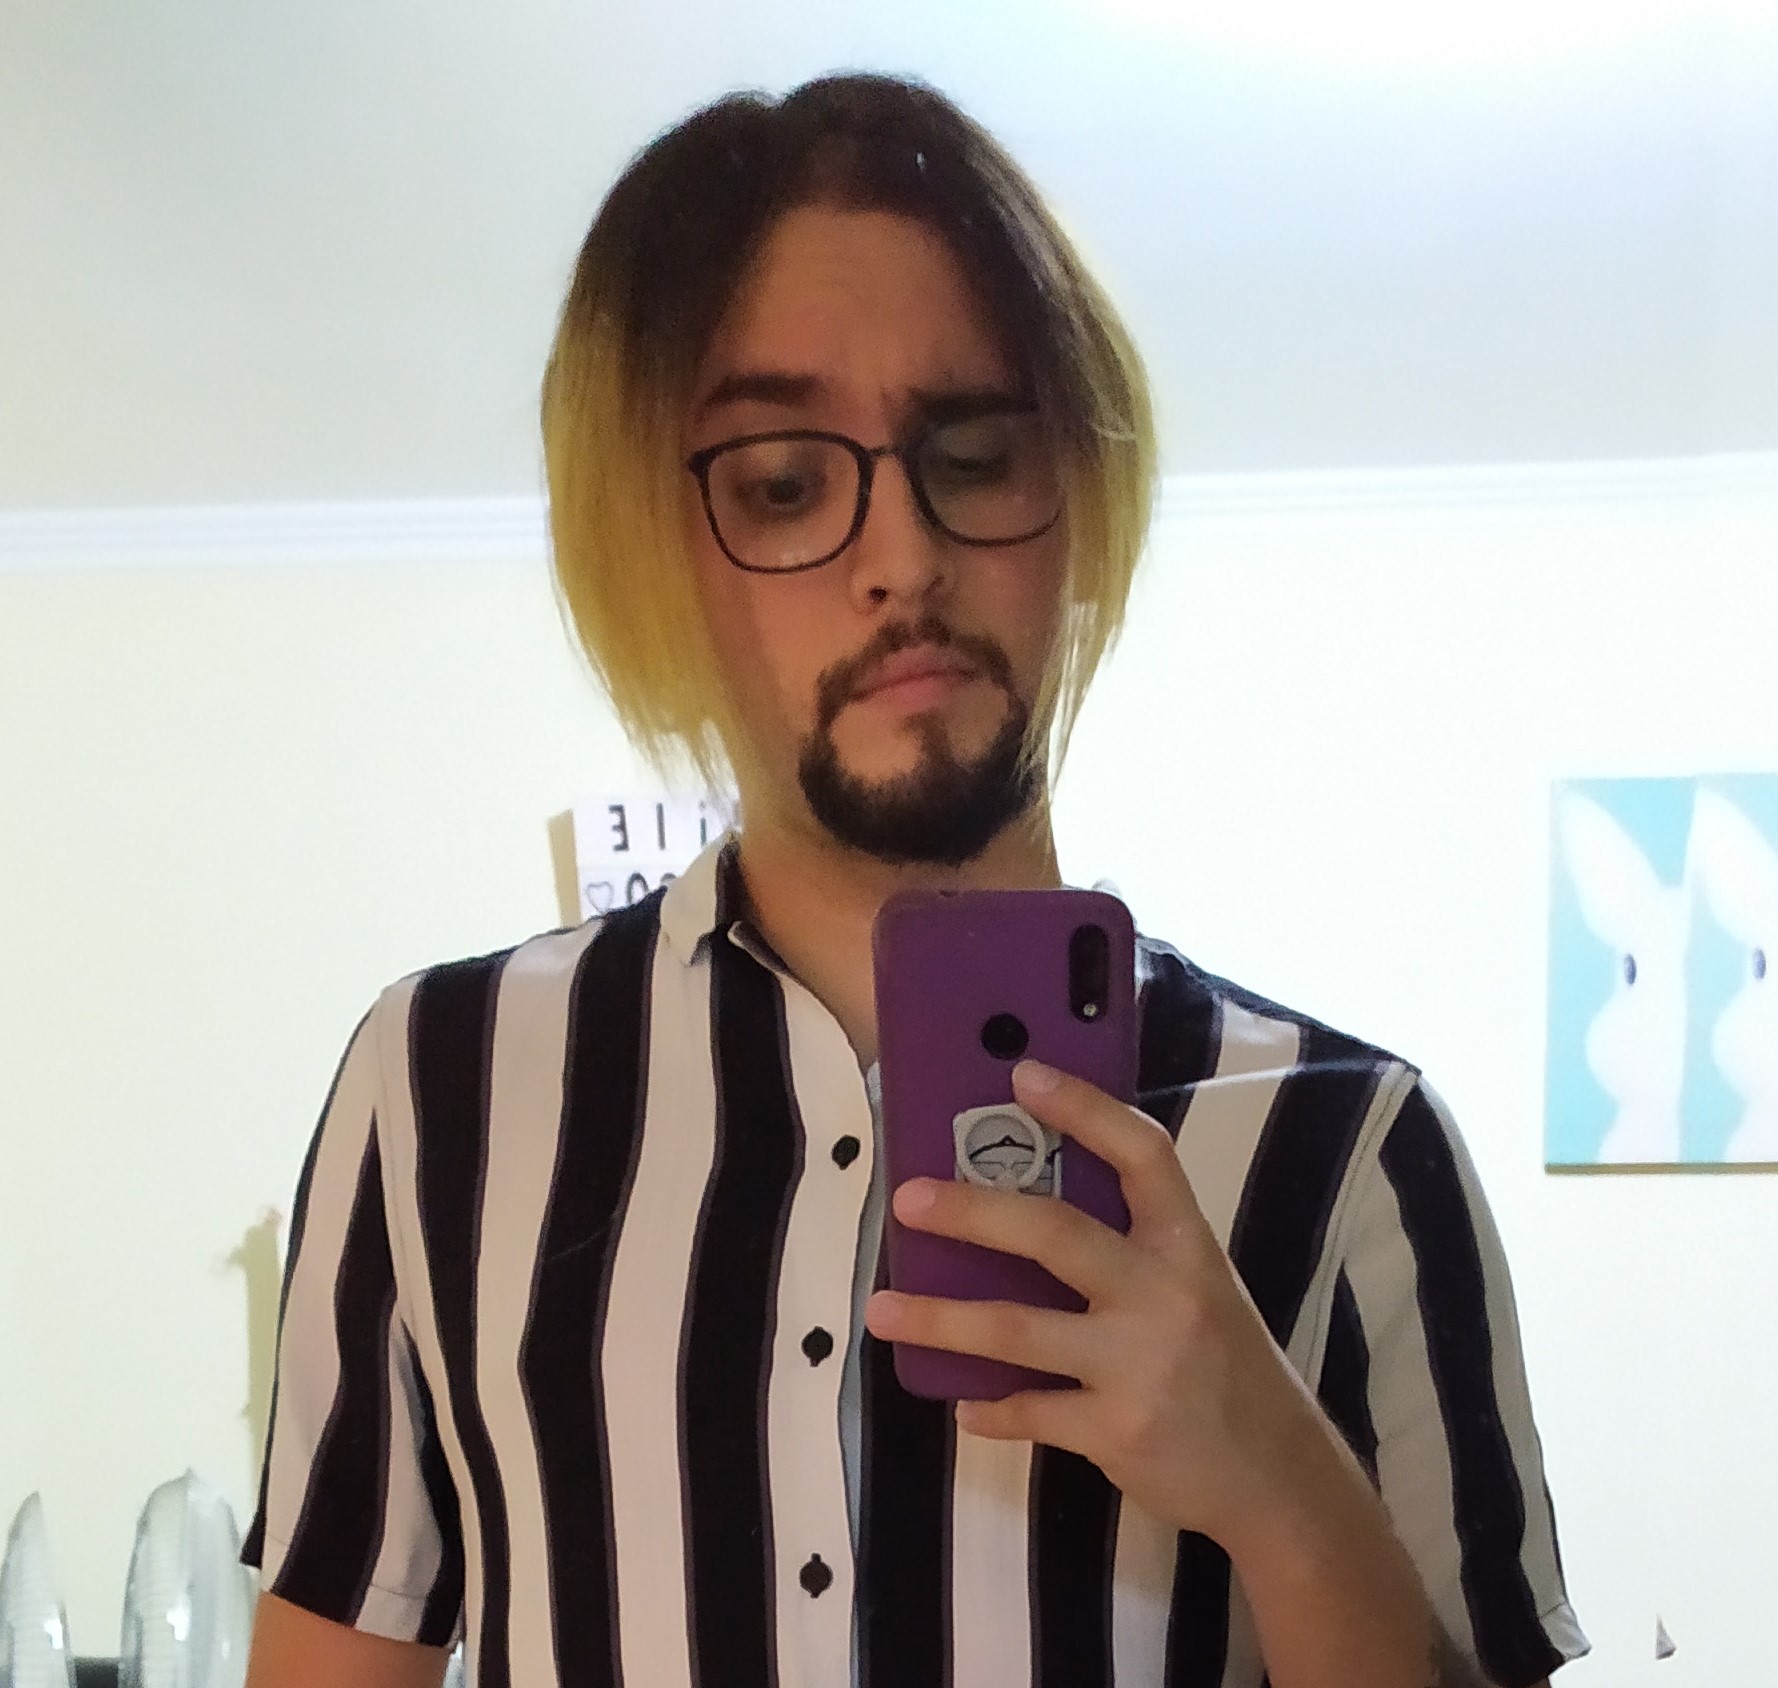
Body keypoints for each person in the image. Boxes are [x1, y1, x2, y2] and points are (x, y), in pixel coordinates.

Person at [241, 71, 1588, 1688]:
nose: (903, 557)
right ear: (653, 550)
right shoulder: (439, 1090)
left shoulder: (1353, 1143)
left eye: (976, 451)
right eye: (783, 483)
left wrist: (1281, 1491)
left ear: (1074, 504)